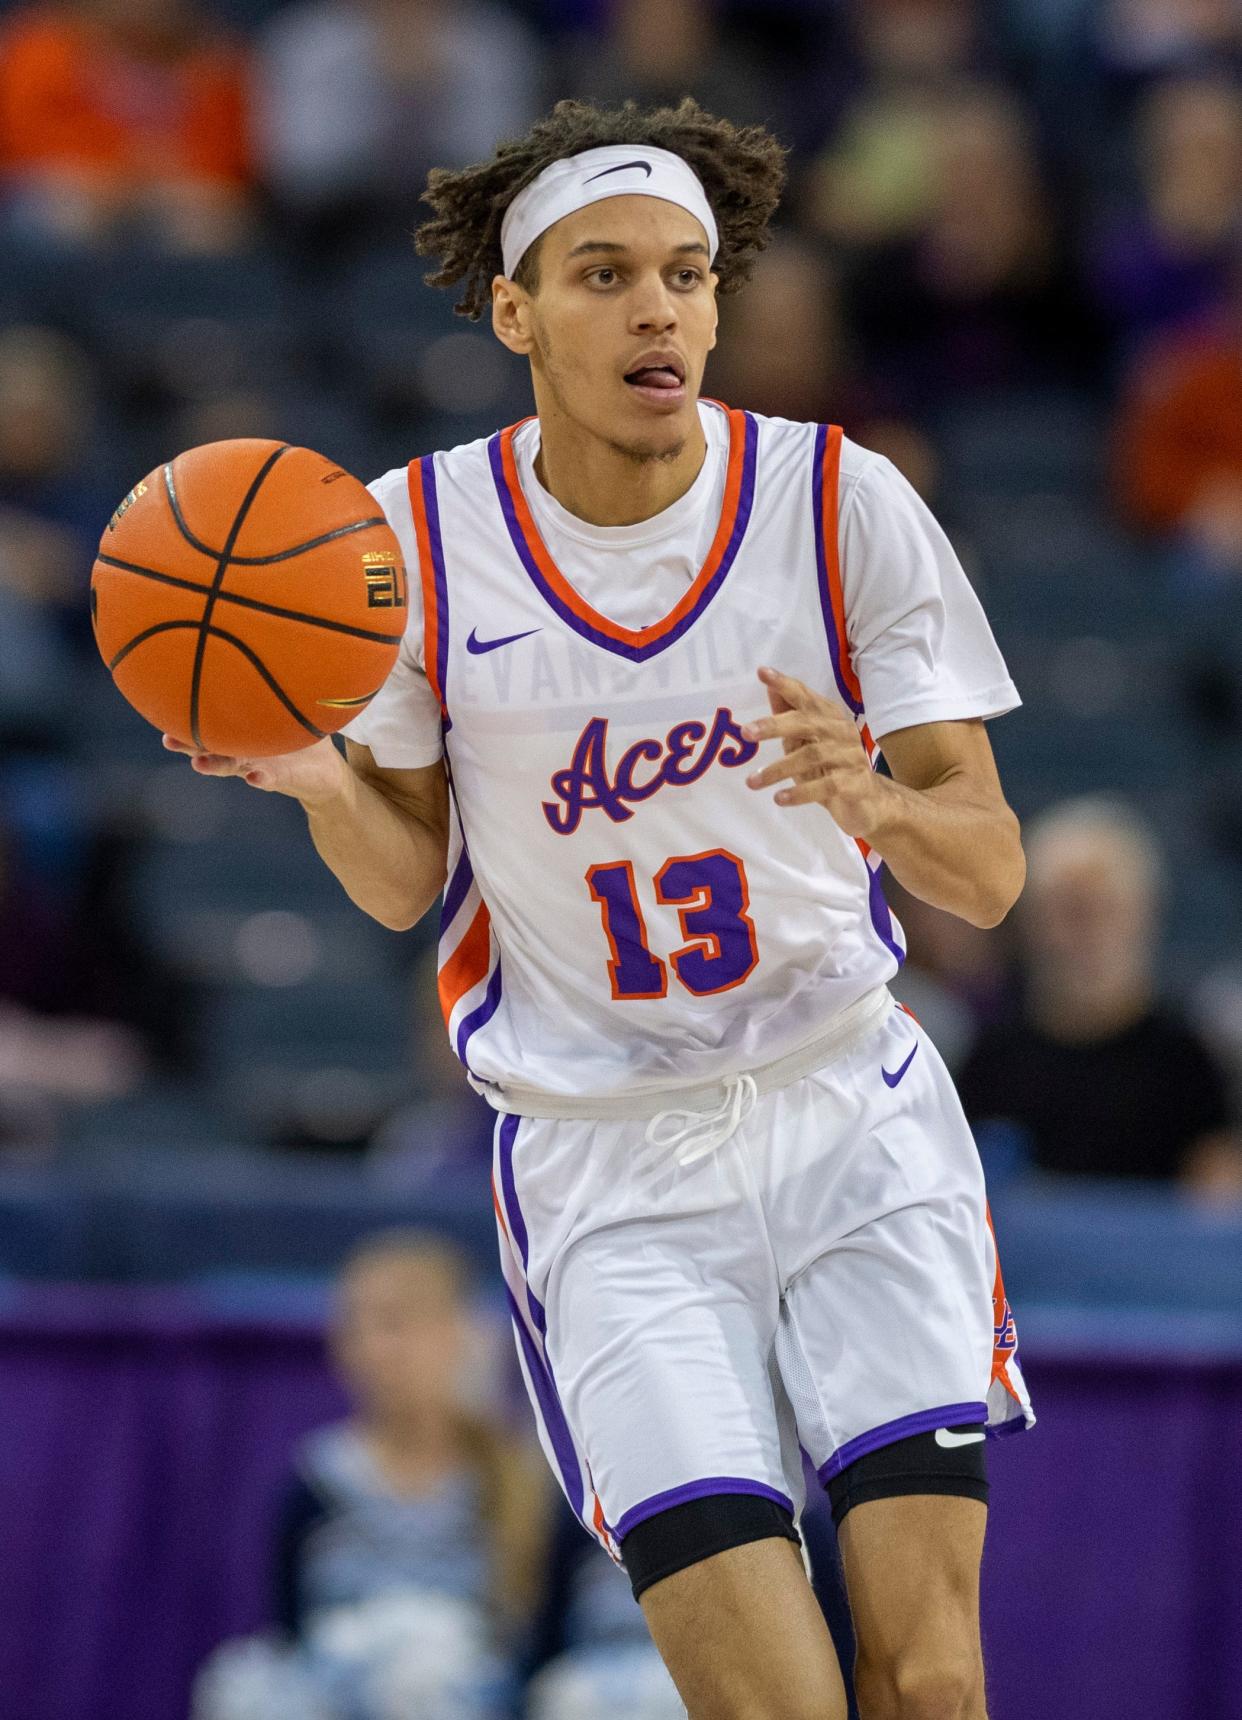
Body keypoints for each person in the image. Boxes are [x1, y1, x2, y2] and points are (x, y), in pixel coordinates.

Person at [165, 97, 1033, 1720]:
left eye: (690, 275)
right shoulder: (414, 540)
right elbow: (408, 880)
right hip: (606, 1170)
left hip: (849, 1108)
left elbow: (987, 864)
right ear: (513, 311)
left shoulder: (837, 502)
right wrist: (319, 782)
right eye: (605, 274)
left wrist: (882, 801)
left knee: (927, 1677)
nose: (660, 309)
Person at [193, 1230, 546, 1720]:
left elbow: (530, 1645)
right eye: (355, 1327)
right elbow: (289, 1632)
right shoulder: (316, 1482)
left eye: (395, 1324)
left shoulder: (514, 1483)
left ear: (456, 1333)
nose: (374, 1348)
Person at [957, 797, 1242, 1194]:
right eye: (1070, 910)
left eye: (1108, 908)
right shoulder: (990, 1061)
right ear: (1029, 922)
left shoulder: (1187, 1061)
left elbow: (1215, 1201)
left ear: (1146, 915)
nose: (1091, 931)